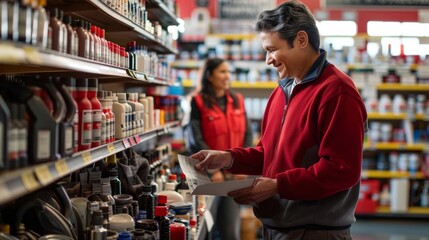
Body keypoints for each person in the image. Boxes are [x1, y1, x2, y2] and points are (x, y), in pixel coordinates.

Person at [190, 1, 368, 240]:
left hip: (314, 232)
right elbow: (270, 154)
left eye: (272, 49)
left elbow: (341, 170)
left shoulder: (337, 92)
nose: (268, 60)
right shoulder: (282, 91)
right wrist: (229, 158)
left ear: (302, 40)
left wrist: (277, 186)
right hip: (277, 228)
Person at [184, 57, 253, 240]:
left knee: (230, 232)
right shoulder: (197, 102)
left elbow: (247, 133)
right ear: (209, 76)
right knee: (205, 230)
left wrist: (243, 165)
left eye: (228, 72)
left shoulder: (238, 100)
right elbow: (194, 139)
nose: (227, 76)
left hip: (233, 175)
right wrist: (213, 169)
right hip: (209, 177)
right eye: (222, 72)